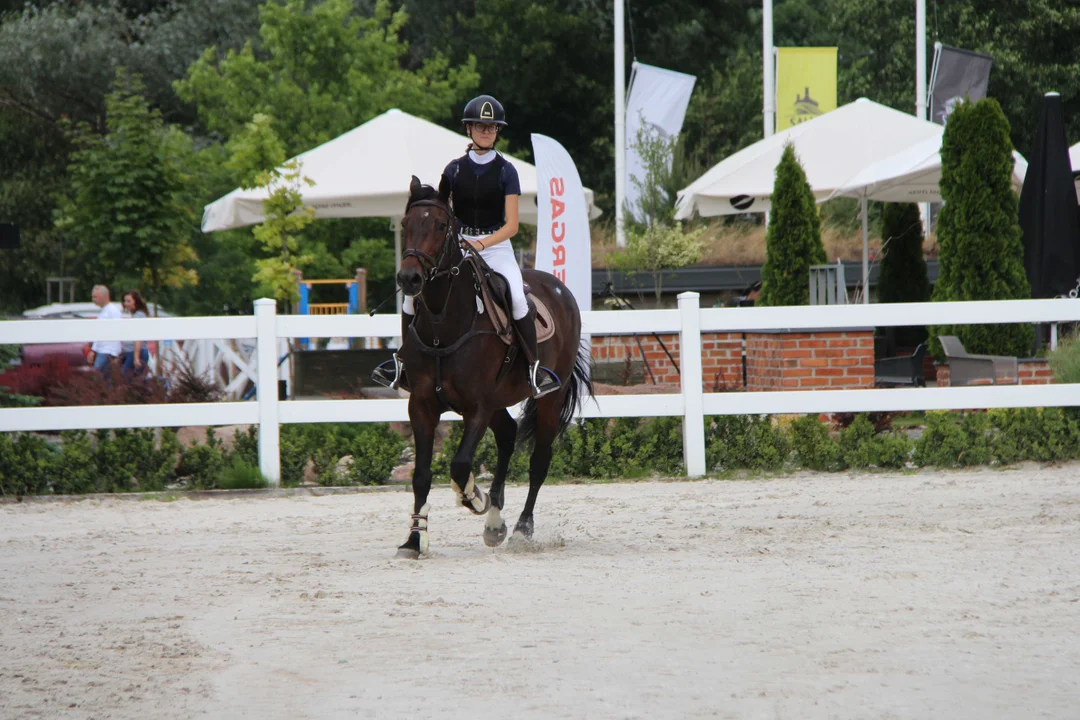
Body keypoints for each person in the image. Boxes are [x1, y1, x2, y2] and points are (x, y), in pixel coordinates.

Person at [375, 94, 560, 397]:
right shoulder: (454, 170)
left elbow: (512, 224)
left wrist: (482, 242)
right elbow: (440, 208)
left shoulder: (506, 171)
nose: (485, 131)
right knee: (412, 297)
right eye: (479, 126)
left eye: (491, 127)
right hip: (458, 247)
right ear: (469, 130)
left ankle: (534, 368)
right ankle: (403, 363)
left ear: (497, 132)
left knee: (515, 295)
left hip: (496, 246)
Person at [86, 285, 122, 375]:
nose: (93, 299)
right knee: (104, 379)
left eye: (95, 297)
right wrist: (94, 350)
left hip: (108, 351)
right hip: (102, 350)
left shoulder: (113, 311)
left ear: (104, 296)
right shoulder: (104, 311)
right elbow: (99, 333)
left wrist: (115, 354)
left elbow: (118, 332)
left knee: (99, 377)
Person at [121, 290, 150, 376]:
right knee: (134, 381)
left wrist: (136, 357)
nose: (126, 303)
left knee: (127, 379)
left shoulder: (139, 315)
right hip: (131, 353)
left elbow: (138, 337)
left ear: (136, 302)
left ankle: (161, 383)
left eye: (129, 301)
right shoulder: (135, 316)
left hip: (136, 353)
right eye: (125, 301)